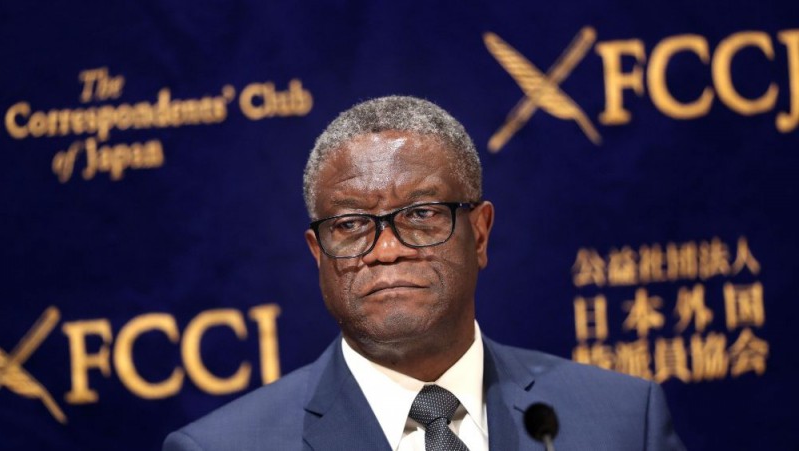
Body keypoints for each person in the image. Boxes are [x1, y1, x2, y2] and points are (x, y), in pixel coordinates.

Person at [163, 96, 685, 450]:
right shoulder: (224, 447)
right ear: (318, 253)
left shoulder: (621, 420)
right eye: (351, 225)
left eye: (421, 214)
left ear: (479, 234)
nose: (387, 250)